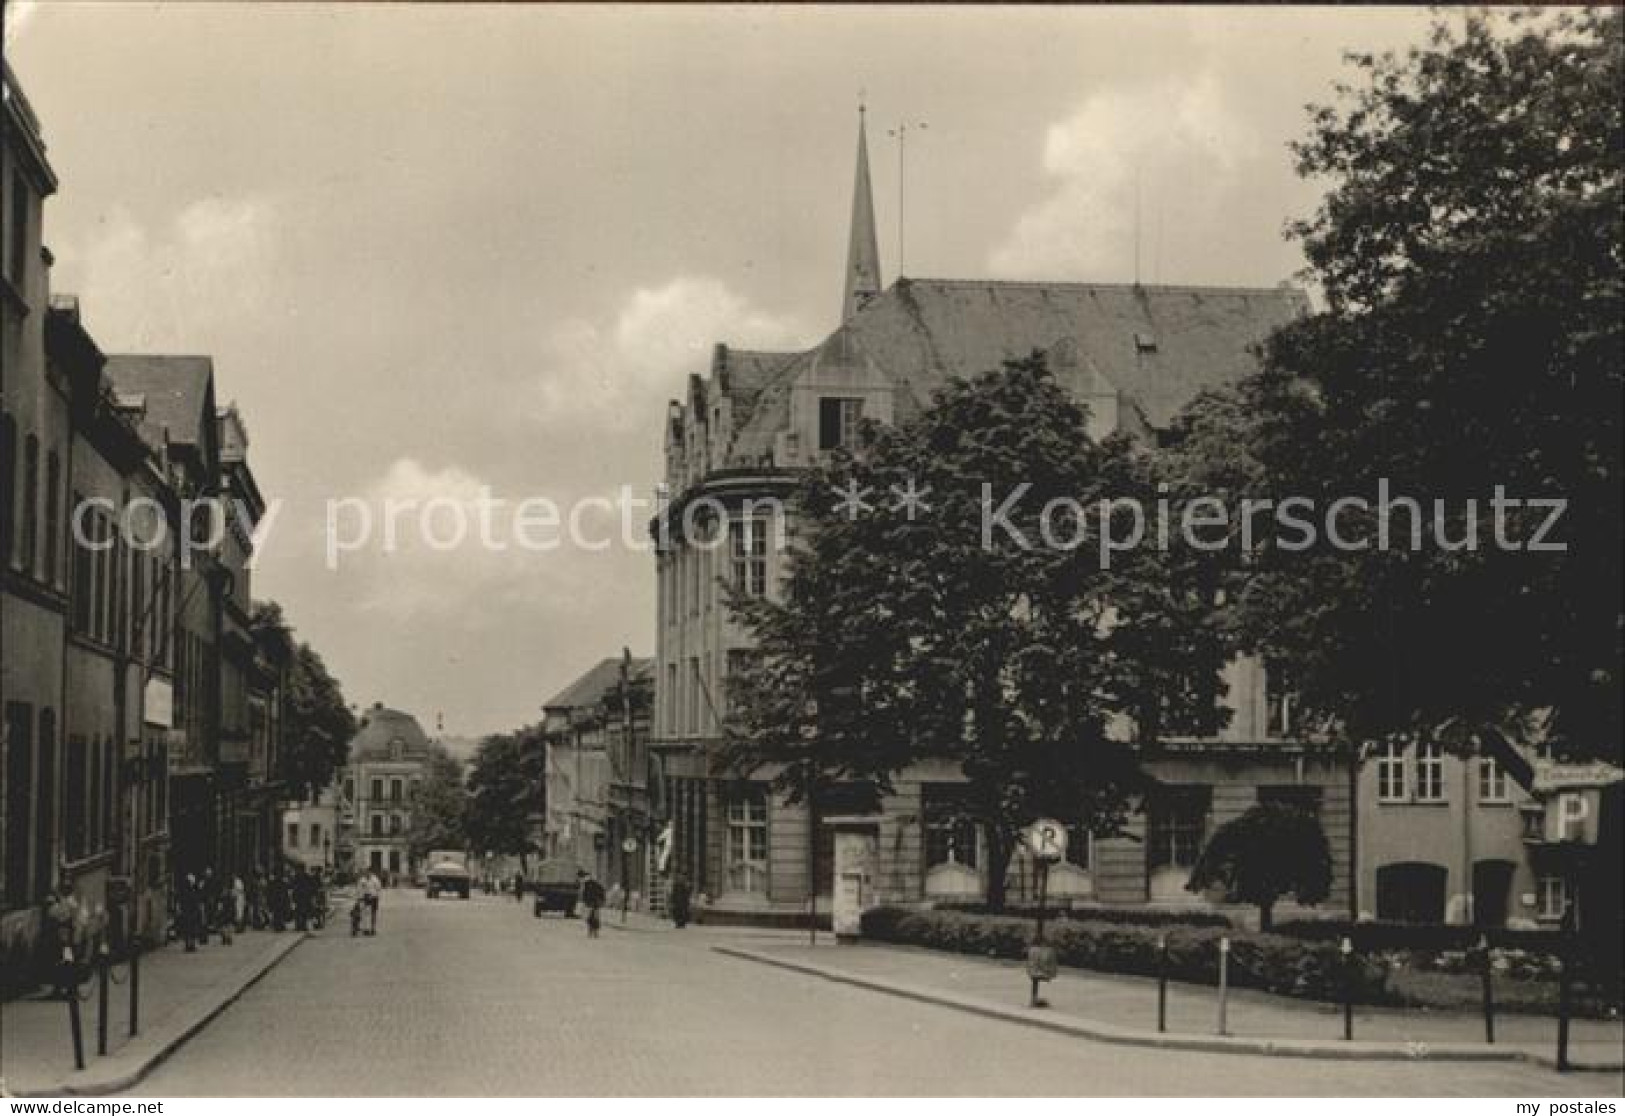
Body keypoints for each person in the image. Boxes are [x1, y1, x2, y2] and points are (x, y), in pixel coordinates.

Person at [579, 871, 606, 938]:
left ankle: (593, 931)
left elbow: (585, 894)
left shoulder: (588, 885)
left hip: (592, 903)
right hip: (593, 903)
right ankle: (593, 931)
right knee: (593, 917)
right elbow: (602, 892)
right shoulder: (591, 884)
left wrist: (585, 901)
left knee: (592, 917)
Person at [360, 867, 382, 935]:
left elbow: (378, 888)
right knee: (366, 912)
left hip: (374, 897)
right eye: (366, 872)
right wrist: (360, 897)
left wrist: (375, 895)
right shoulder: (362, 879)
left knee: (373, 913)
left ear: (371, 872)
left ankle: (373, 928)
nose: (367, 873)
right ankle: (366, 929)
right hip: (366, 897)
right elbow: (359, 888)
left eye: (369, 872)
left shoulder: (375, 879)